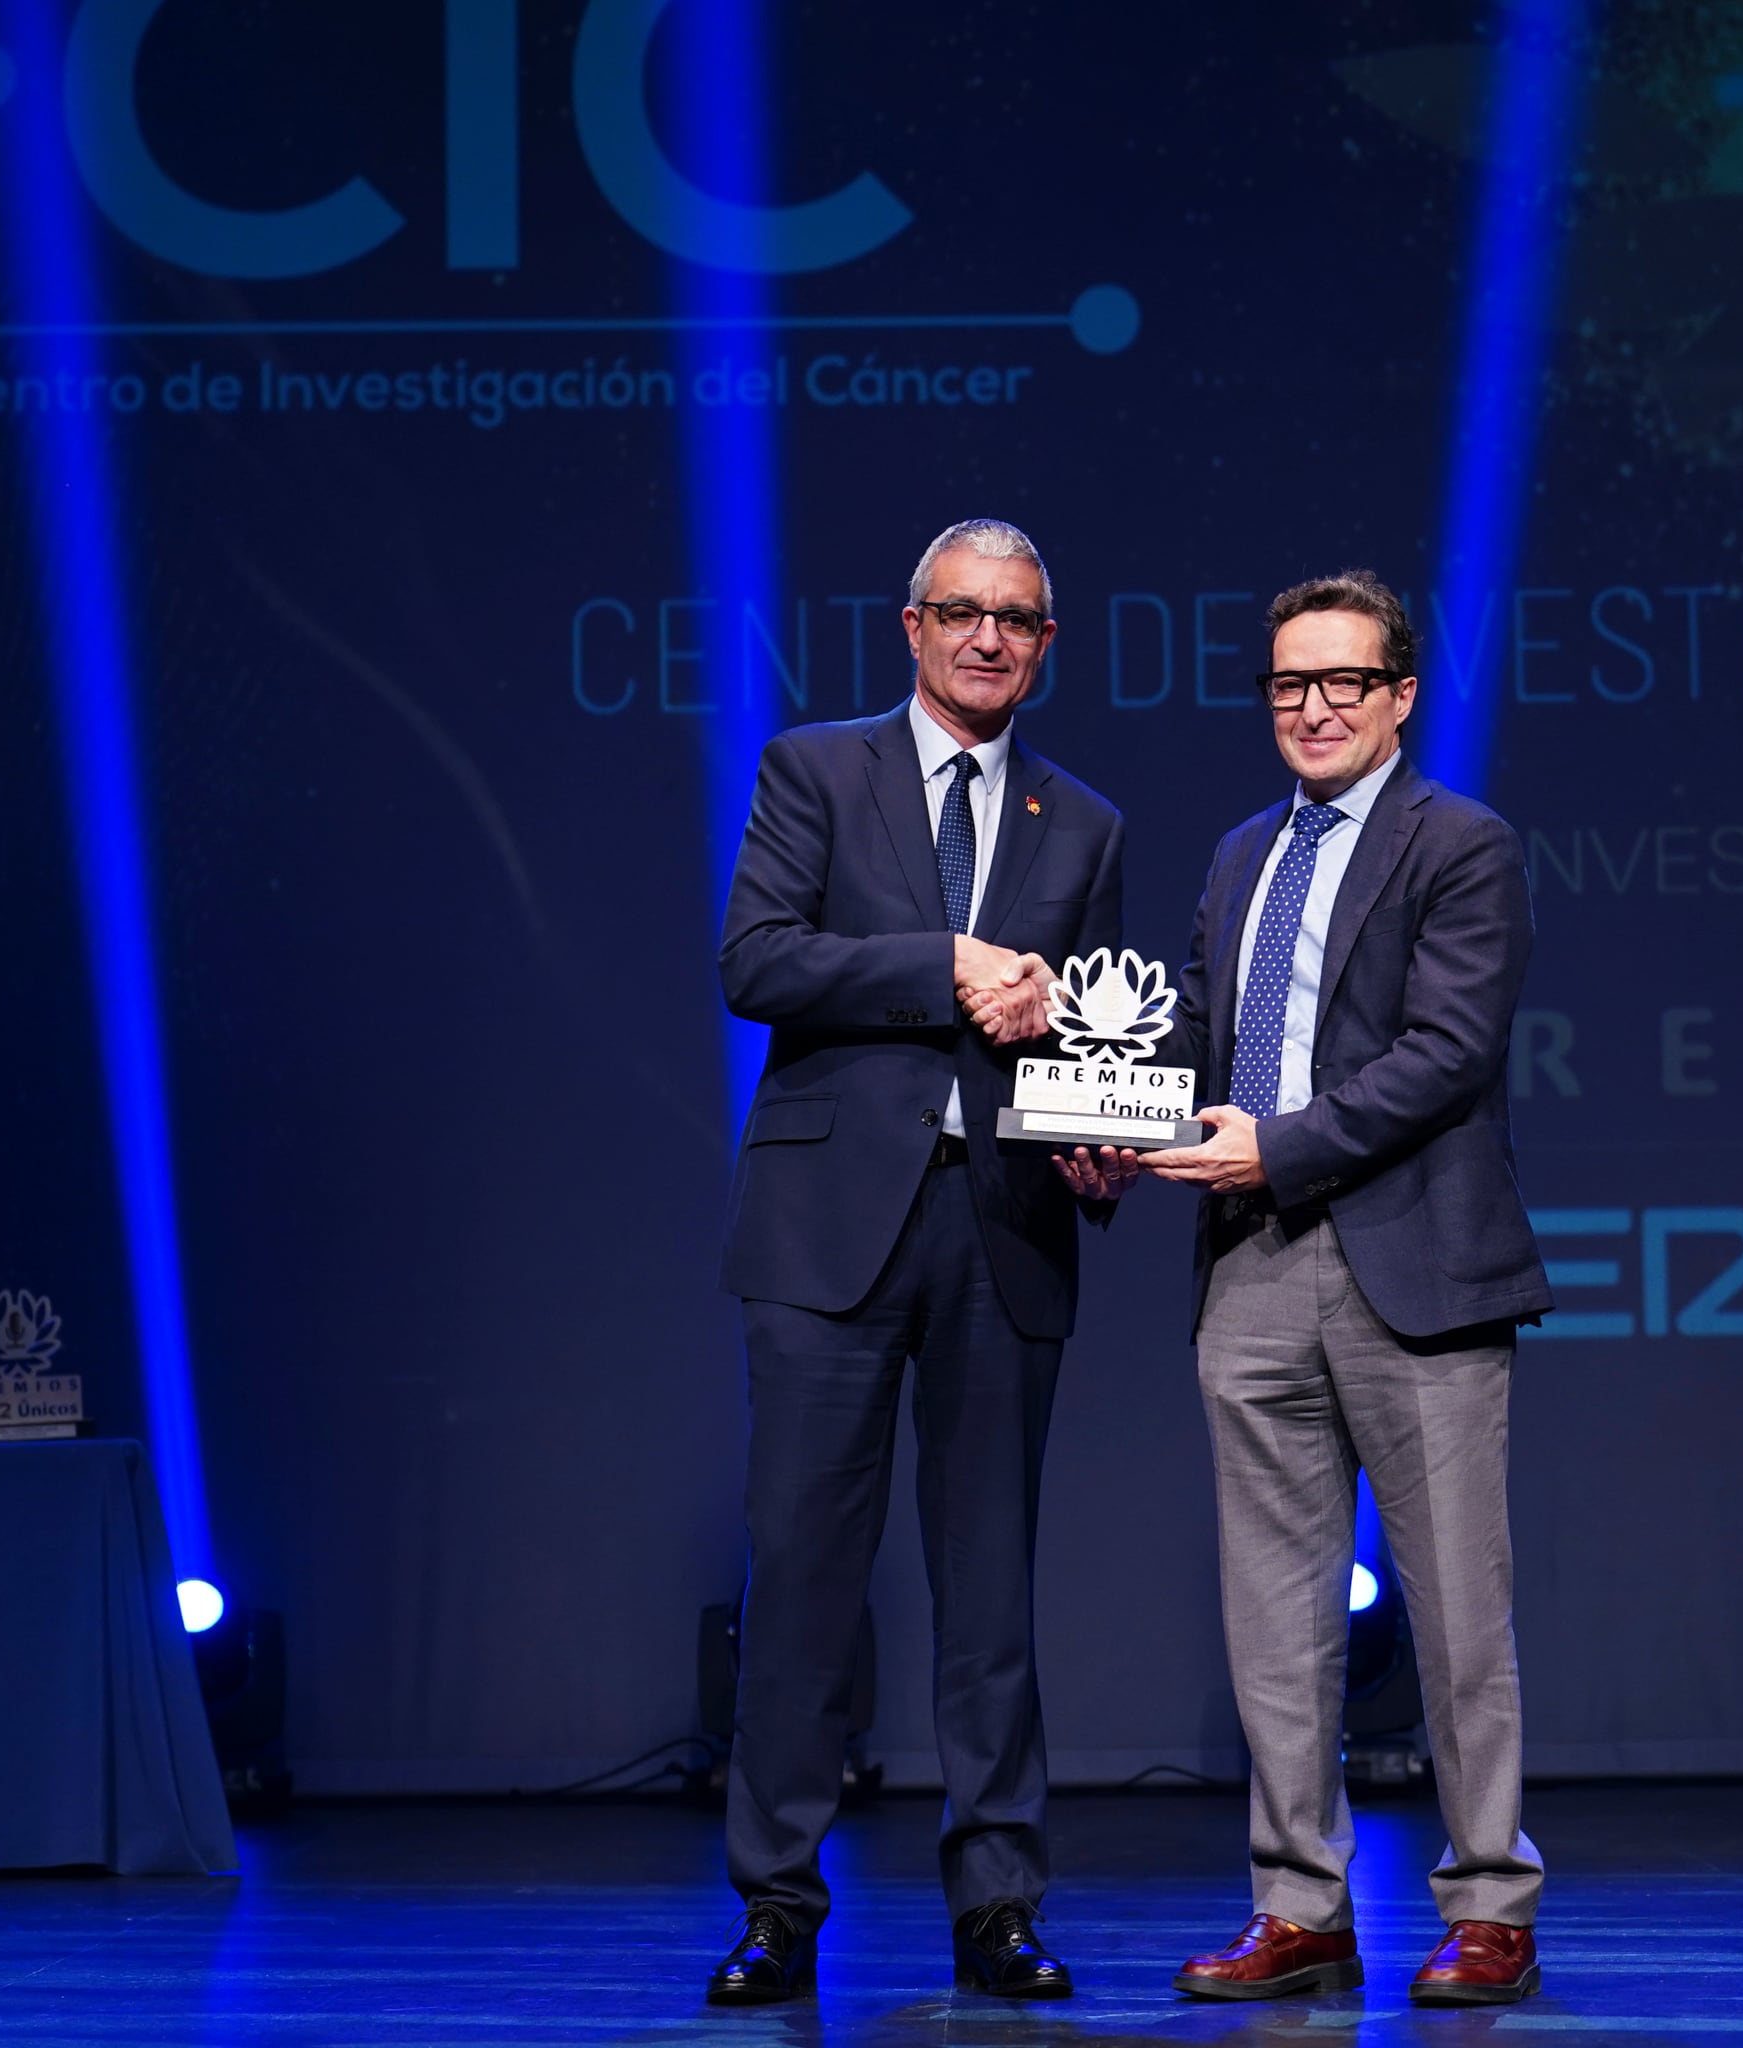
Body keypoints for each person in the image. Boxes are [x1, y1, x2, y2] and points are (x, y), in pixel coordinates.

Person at [707, 518, 1140, 2005]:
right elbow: (756, 960)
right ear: (912, 627)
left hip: (1001, 1230)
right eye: (961, 613)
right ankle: (776, 1904)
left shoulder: (1085, 824)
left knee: (991, 1592)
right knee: (803, 1579)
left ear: (1046, 644)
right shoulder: (817, 771)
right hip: (826, 1230)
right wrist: (941, 966)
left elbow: (1094, 1040)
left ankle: (998, 1905)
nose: (986, 639)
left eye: (1015, 620)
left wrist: (1099, 1142)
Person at [1146, 569, 1554, 2007]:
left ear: (1400, 696)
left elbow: (1447, 1053)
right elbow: (1199, 1035)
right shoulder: (1238, 854)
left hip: (1415, 1263)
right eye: (1289, 684)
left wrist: (1277, 1148)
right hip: (1252, 1265)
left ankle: (1490, 1902)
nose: (1314, 708)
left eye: (1344, 682)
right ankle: (1299, 1908)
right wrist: (1109, 1127)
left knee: (1457, 1612)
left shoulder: (1463, 843)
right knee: (1273, 1613)